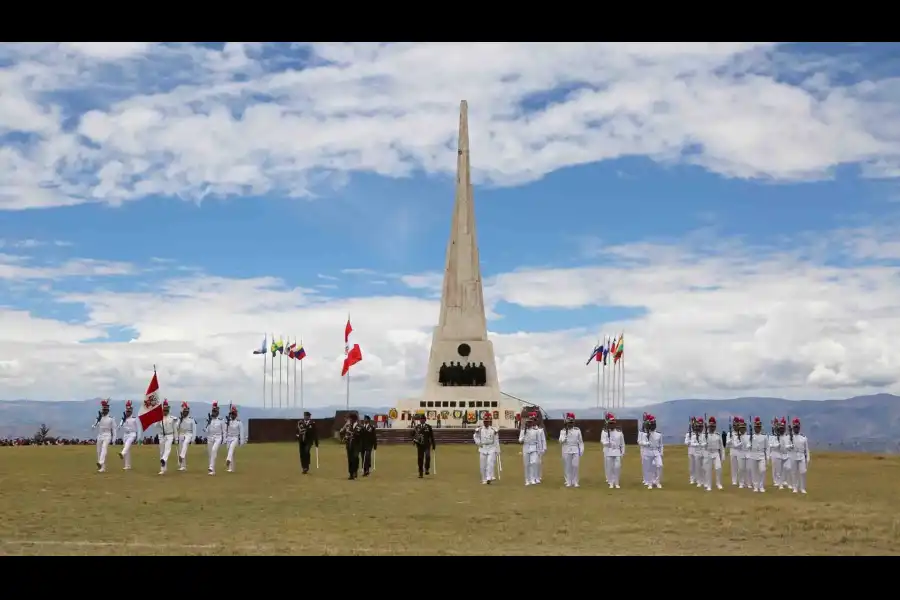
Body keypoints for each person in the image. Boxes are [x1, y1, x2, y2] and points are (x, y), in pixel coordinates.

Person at [558, 413, 584, 488]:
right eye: (569, 422)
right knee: (568, 466)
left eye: (572, 422)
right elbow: (560, 441)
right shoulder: (563, 431)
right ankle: (568, 481)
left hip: (575, 449)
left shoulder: (577, 430)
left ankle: (575, 481)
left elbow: (581, 441)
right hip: (566, 450)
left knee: (575, 466)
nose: (570, 424)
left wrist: (581, 450)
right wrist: (564, 437)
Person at [517, 413, 544, 486]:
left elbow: (539, 441)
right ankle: (527, 480)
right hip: (526, 448)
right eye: (528, 422)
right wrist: (524, 435)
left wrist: (540, 450)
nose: (529, 423)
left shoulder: (536, 430)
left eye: (530, 422)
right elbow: (520, 440)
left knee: (533, 463)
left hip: (534, 448)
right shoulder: (523, 430)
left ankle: (533, 479)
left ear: (532, 423)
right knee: (526, 464)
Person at [473, 412, 500, 484]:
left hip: (491, 448)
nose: (486, 423)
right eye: (485, 421)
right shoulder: (479, 429)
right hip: (483, 448)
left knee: (490, 463)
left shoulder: (494, 430)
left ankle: (489, 477)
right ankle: (484, 479)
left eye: (487, 421)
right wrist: (479, 443)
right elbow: (475, 437)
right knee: (482, 465)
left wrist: (497, 450)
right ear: (483, 421)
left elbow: (496, 440)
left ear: (490, 421)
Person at [601, 413, 625, 489]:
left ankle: (616, 482)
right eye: (610, 423)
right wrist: (608, 442)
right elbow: (603, 441)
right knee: (610, 467)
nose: (612, 425)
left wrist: (622, 452)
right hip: (608, 451)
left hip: (617, 452)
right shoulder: (605, 432)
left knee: (617, 467)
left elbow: (622, 443)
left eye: (613, 423)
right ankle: (611, 482)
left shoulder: (619, 432)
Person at [786, 417, 810, 494]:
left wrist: (808, 459)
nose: (796, 428)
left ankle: (802, 488)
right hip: (793, 456)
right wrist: (790, 446)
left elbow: (807, 450)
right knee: (794, 472)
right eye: (795, 427)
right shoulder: (790, 437)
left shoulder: (804, 438)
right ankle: (795, 487)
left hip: (801, 457)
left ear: (799, 427)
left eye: (797, 427)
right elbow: (786, 447)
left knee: (802, 472)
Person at [92, 399, 116, 473]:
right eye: (103, 410)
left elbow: (114, 429)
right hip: (100, 435)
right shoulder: (99, 417)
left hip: (107, 435)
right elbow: (94, 426)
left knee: (104, 448)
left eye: (106, 410)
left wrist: (114, 439)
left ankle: (100, 462)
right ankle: (102, 468)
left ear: (108, 410)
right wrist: (94, 424)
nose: (104, 411)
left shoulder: (111, 419)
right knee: (98, 451)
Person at [701, 416, 724, 491]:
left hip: (716, 453)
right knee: (708, 470)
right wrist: (705, 443)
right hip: (708, 453)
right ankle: (708, 485)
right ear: (708, 426)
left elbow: (721, 446)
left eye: (713, 426)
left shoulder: (718, 434)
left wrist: (722, 456)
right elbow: (702, 444)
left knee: (718, 468)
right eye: (710, 426)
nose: (712, 427)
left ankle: (718, 483)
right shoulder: (705, 435)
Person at [747, 417, 768, 492]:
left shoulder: (764, 436)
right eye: (756, 427)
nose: (757, 428)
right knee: (754, 472)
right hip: (753, 455)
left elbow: (767, 447)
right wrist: (749, 444)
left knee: (762, 470)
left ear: (761, 427)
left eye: (759, 427)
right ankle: (755, 486)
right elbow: (747, 445)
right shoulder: (751, 436)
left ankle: (761, 486)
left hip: (761, 455)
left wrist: (767, 457)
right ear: (754, 427)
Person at [118, 400, 141, 471]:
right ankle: (127, 465)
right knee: (127, 449)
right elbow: (119, 427)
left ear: (131, 411)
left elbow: (139, 428)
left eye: (129, 411)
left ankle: (122, 453)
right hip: (125, 434)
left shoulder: (135, 419)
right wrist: (122, 422)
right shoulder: (123, 418)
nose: (127, 412)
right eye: (127, 411)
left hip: (132, 434)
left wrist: (138, 437)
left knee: (127, 444)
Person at [157, 400, 178, 475]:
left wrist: (176, 439)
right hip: (162, 436)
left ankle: (164, 459)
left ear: (168, 410)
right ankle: (163, 469)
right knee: (161, 452)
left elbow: (175, 429)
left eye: (166, 410)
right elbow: (155, 426)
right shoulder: (160, 418)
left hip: (169, 435)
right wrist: (157, 419)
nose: (165, 411)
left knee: (168, 449)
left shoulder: (172, 419)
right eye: (164, 410)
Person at [340, 413, 362, 480]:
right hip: (349, 445)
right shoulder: (348, 426)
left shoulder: (359, 426)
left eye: (350, 419)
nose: (349, 420)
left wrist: (351, 434)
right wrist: (344, 437)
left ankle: (355, 471)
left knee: (355, 458)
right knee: (350, 459)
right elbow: (343, 433)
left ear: (353, 419)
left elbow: (357, 434)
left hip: (356, 445)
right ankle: (351, 474)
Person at [412, 414, 435, 478]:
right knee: (420, 459)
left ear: (425, 420)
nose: (421, 420)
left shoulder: (428, 427)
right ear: (419, 420)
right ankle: (420, 472)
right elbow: (413, 435)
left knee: (428, 457)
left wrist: (433, 444)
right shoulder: (417, 427)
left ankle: (427, 468)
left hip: (427, 445)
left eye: (423, 419)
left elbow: (432, 436)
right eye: (421, 419)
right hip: (419, 445)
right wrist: (414, 439)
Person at [205, 402, 225, 475]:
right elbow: (206, 431)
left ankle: (211, 467)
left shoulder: (221, 420)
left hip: (218, 437)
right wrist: (208, 423)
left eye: (215, 411)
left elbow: (224, 430)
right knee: (211, 453)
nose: (214, 413)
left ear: (218, 412)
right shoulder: (210, 420)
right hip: (210, 437)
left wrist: (224, 440)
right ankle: (212, 470)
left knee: (214, 450)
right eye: (213, 411)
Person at [176, 401, 197, 472]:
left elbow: (194, 429)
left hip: (189, 434)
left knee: (185, 444)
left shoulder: (191, 419)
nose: (185, 413)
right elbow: (176, 427)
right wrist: (180, 420)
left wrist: (193, 439)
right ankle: (183, 466)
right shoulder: (180, 419)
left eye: (186, 412)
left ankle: (181, 456)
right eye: (184, 412)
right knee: (181, 449)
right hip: (181, 434)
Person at [224, 405, 244, 473]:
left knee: (231, 449)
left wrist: (241, 441)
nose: (233, 415)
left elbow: (241, 432)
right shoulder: (228, 421)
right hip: (228, 438)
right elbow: (225, 430)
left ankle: (228, 459)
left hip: (235, 438)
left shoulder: (239, 422)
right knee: (231, 452)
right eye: (232, 414)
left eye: (234, 414)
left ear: (236, 414)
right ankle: (231, 468)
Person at [646, 414, 664, 488]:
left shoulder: (659, 434)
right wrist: (647, 443)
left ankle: (657, 481)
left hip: (656, 452)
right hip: (649, 451)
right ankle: (650, 483)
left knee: (659, 465)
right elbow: (641, 442)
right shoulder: (646, 434)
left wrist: (661, 452)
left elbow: (661, 444)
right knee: (650, 468)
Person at [768, 417, 784, 489]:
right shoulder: (771, 436)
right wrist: (775, 445)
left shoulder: (781, 435)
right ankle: (775, 481)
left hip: (779, 453)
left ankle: (780, 482)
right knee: (774, 468)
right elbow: (770, 445)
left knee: (779, 469)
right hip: (773, 453)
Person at [777, 417, 792, 491]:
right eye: (780, 428)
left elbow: (789, 445)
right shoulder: (777, 437)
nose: (781, 430)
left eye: (783, 428)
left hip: (787, 455)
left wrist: (790, 446)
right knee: (780, 470)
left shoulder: (788, 437)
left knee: (788, 468)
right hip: (779, 455)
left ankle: (789, 483)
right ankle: (780, 484)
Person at [726, 417, 741, 486]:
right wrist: (730, 440)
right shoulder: (729, 433)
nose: (735, 426)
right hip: (732, 450)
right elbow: (727, 444)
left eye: (737, 425)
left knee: (740, 467)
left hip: (739, 451)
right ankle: (734, 481)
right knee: (734, 467)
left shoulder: (740, 433)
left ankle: (741, 480)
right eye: (734, 425)